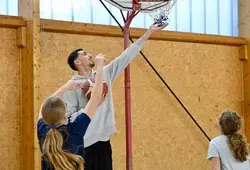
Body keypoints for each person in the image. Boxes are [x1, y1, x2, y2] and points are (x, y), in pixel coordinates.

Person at [63, 23, 168, 170]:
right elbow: (69, 119)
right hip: (84, 144)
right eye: (85, 54)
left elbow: (126, 57)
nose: (90, 55)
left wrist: (148, 33)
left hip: (104, 141)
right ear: (77, 62)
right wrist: (93, 104)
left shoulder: (104, 74)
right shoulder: (71, 87)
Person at [37, 53, 106, 170]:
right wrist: (100, 66)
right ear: (65, 114)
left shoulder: (43, 131)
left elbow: (44, 106)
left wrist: (66, 87)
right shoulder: (75, 129)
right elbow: (96, 97)